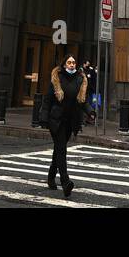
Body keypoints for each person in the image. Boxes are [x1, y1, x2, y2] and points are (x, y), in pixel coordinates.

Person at [39, 55, 87, 197]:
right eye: (69, 62)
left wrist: (90, 112)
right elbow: (48, 99)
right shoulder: (57, 78)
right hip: (56, 120)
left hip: (70, 121)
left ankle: (51, 176)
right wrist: (43, 117)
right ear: (64, 64)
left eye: (73, 62)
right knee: (61, 149)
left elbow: (82, 101)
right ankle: (65, 182)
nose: (72, 65)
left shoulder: (80, 79)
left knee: (58, 150)